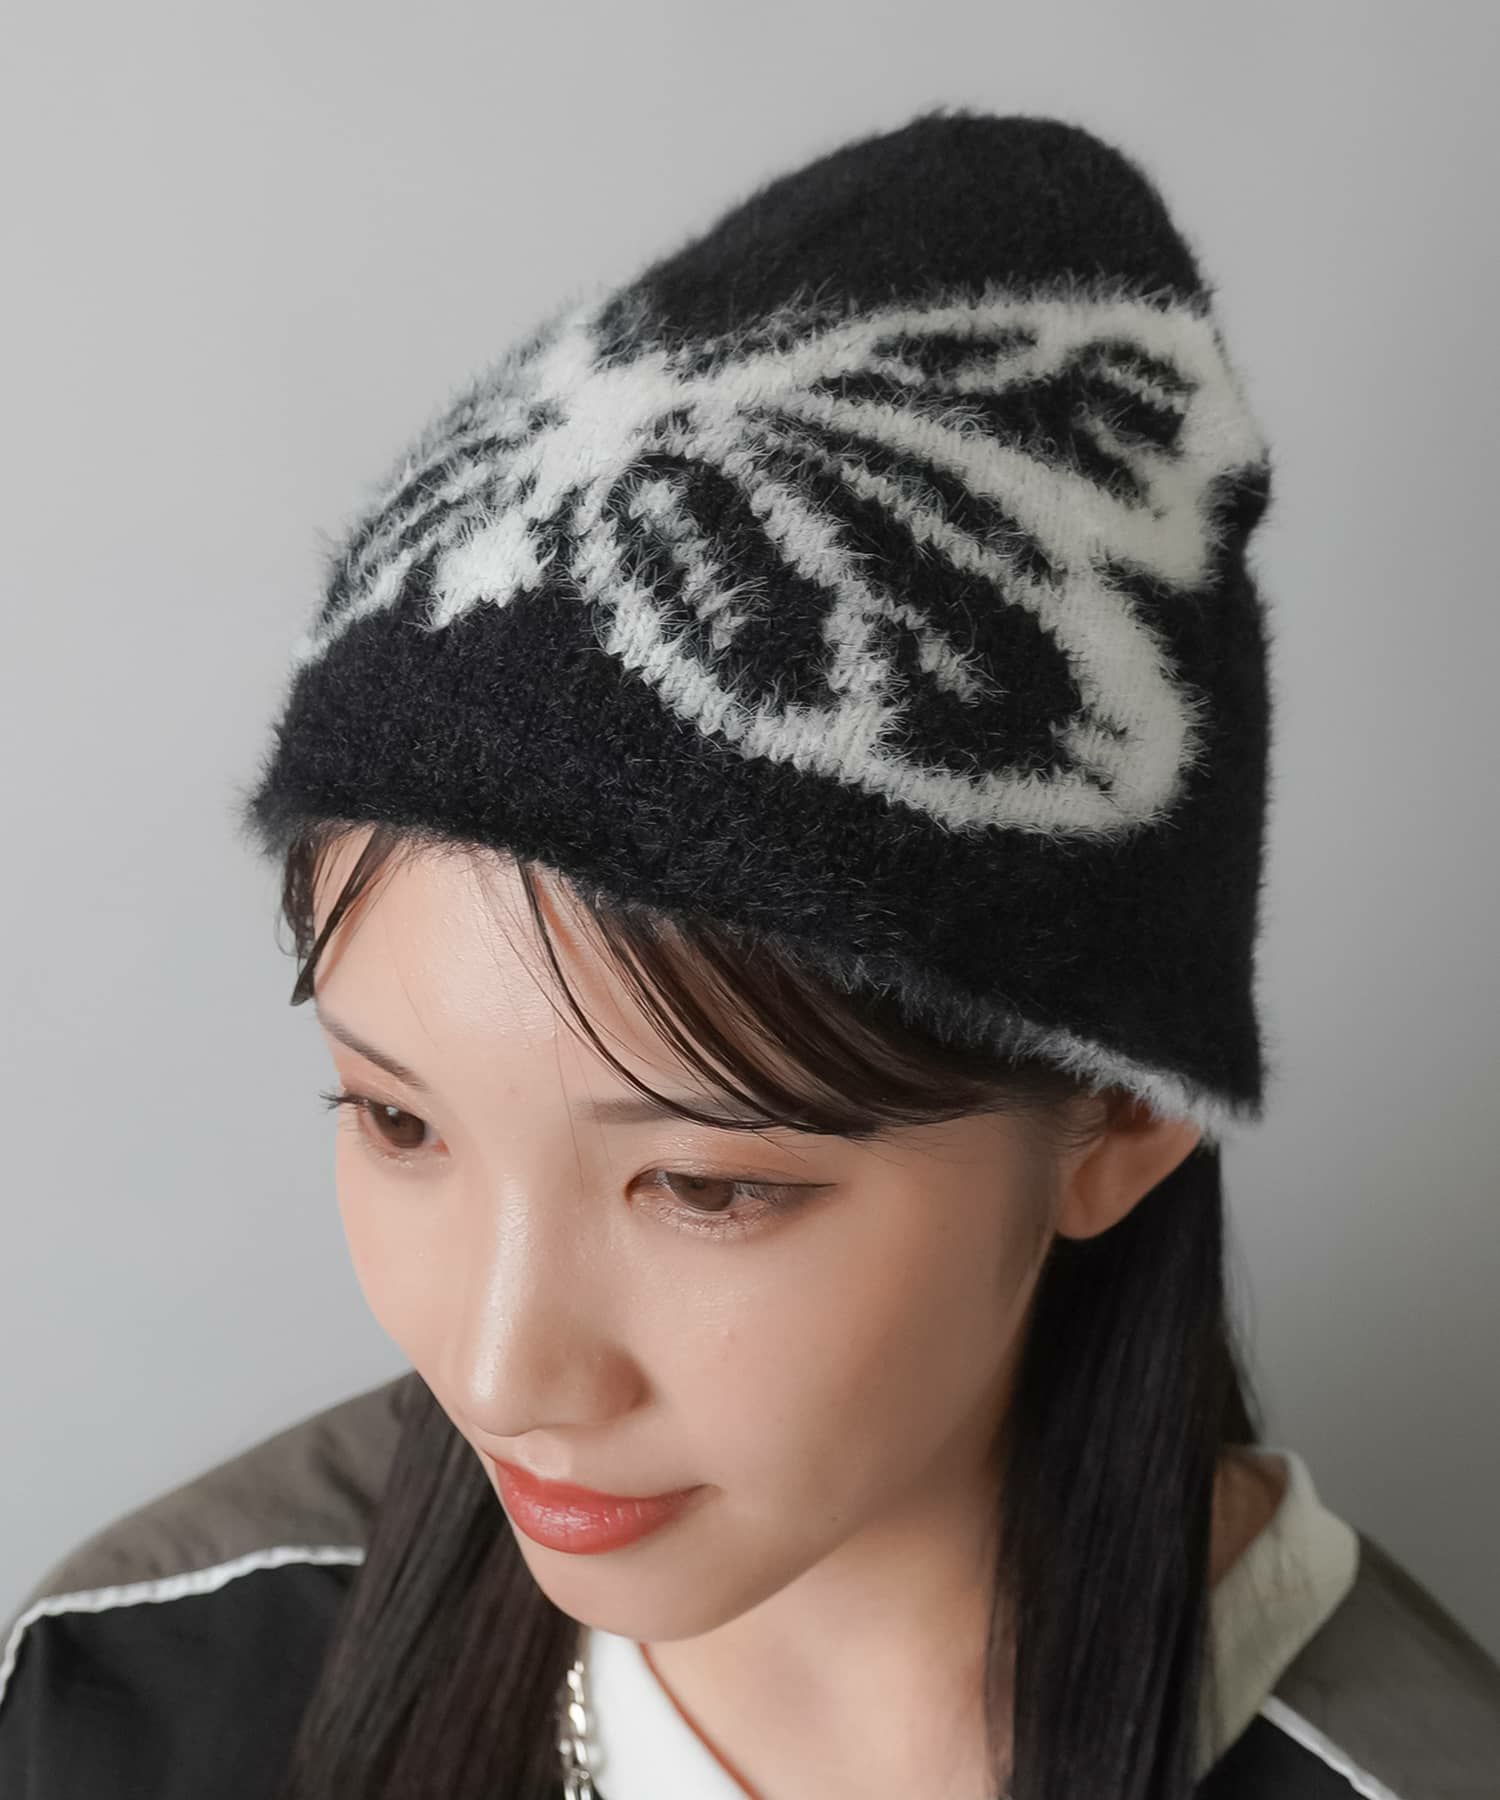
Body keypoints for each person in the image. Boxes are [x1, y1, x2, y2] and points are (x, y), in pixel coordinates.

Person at [2, 105, 1497, 1800]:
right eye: (398, 1120)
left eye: (708, 1186)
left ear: (1121, 1109)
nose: (498, 1372)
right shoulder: (141, 1687)